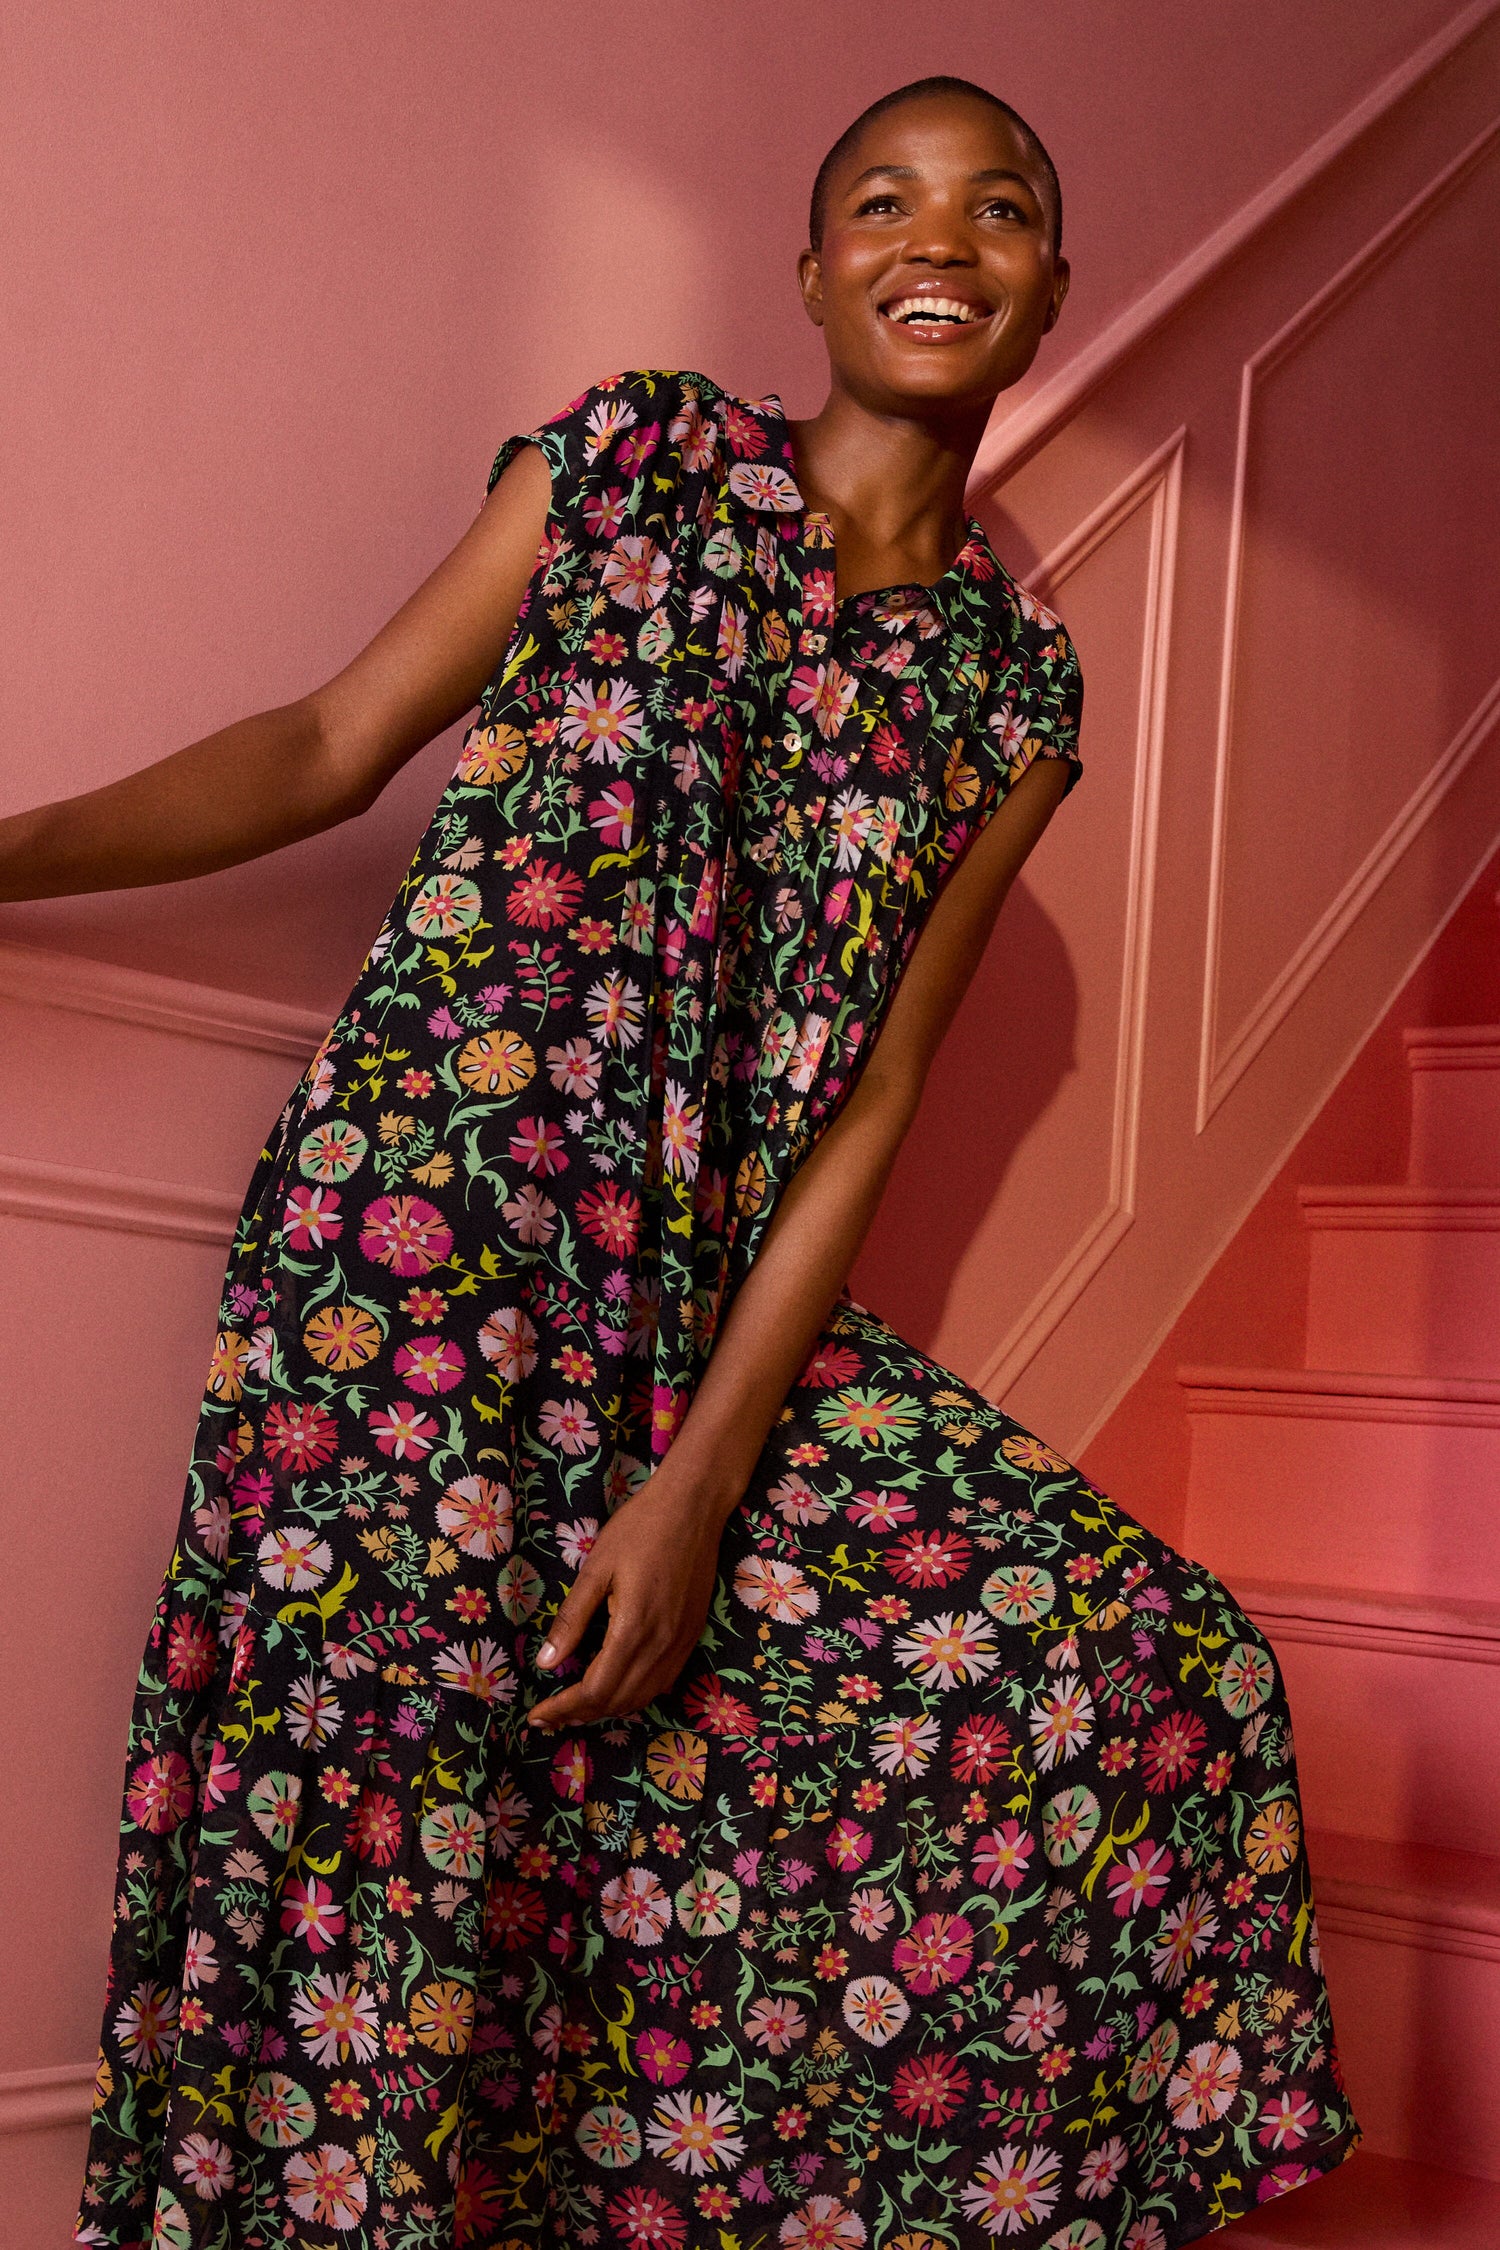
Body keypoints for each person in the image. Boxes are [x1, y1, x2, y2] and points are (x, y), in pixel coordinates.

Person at [9, 71, 1358, 2250]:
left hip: (697, 1317)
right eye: (888, 203)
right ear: (814, 269)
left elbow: (876, 1095)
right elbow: (327, 745)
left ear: (1047, 296)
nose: (944, 237)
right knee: (374, 1856)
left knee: (1144, 1657)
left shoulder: (1014, 690)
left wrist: (703, 1478)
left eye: (999, 207)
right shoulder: (636, 459)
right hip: (421, 1254)